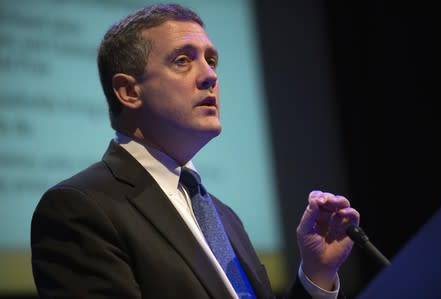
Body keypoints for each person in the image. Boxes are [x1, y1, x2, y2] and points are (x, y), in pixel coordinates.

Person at [30, 3, 360, 299]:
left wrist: (317, 274)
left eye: (211, 60)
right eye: (183, 60)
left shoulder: (222, 216)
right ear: (129, 91)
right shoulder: (80, 208)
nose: (209, 75)